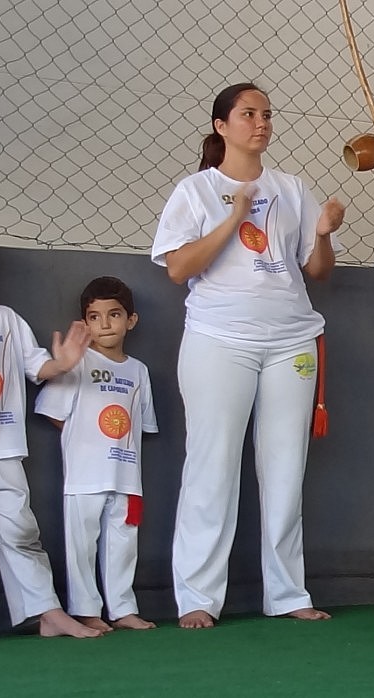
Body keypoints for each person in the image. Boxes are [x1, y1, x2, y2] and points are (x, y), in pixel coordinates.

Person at [150, 82, 345, 629]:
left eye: (266, 115)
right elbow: (178, 268)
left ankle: (287, 593)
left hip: (291, 340)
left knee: (285, 468)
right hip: (218, 338)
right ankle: (197, 597)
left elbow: (317, 271)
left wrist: (323, 235)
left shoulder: (291, 188)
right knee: (211, 466)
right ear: (222, 126)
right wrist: (233, 218)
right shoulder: (196, 190)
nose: (260, 123)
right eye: (248, 114)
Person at [0, 220, 102, 645]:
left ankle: (46, 612)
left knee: (21, 532)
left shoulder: (6, 319)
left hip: (3, 448)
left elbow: (36, 365)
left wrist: (63, 363)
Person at [35, 276, 158, 632]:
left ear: (131, 320)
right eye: (94, 317)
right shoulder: (77, 363)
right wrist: (85, 438)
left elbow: (141, 423)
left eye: (114, 315)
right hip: (84, 474)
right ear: (85, 323)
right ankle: (86, 609)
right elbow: (54, 413)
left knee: (123, 544)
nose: (104, 324)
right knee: (81, 546)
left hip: (126, 475)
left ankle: (122, 609)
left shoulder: (138, 371)